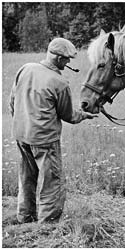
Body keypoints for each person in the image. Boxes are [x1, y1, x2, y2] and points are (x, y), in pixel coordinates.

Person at [9, 37, 97, 224]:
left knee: (26, 177)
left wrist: (22, 122)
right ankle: (48, 224)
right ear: (58, 58)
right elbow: (68, 115)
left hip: (21, 135)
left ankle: (25, 216)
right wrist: (84, 115)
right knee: (52, 181)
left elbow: (12, 102)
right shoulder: (59, 82)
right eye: (66, 59)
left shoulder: (25, 69)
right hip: (44, 140)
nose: (67, 63)